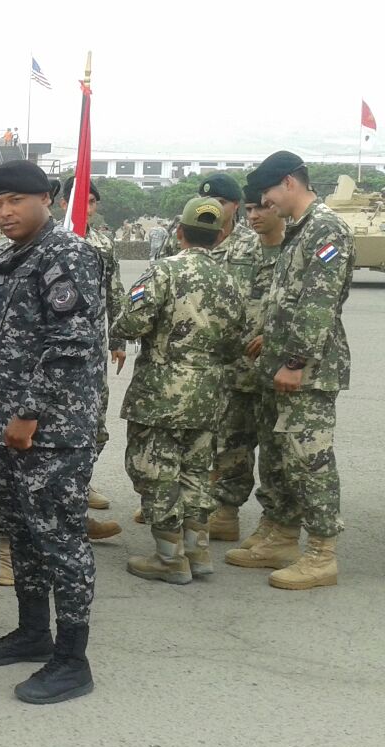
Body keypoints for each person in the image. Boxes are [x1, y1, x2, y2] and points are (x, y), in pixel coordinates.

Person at [0, 159, 104, 704]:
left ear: (46, 198)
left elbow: (72, 342)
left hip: (52, 430)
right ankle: (32, 630)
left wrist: (29, 412)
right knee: (21, 533)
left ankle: (72, 659)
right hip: (10, 426)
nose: (5, 212)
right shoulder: (9, 259)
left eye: (15, 201)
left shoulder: (65, 254)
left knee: (60, 540)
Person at [225, 152, 353, 590]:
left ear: (289, 183)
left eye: (268, 195)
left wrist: (296, 361)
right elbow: (287, 298)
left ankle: (321, 553)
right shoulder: (300, 229)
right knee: (279, 455)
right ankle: (280, 534)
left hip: (307, 370)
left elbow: (319, 302)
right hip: (279, 363)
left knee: (309, 458)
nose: (265, 203)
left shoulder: (326, 228)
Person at [111, 197, 245, 584]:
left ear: (180, 232)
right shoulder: (230, 280)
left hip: (161, 393)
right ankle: (198, 550)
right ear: (219, 236)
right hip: (208, 392)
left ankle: (169, 558)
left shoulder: (163, 271)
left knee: (156, 470)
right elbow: (236, 342)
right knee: (196, 471)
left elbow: (130, 323)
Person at [209, 182, 286, 545]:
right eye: (251, 208)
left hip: (272, 366)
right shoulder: (233, 248)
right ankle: (225, 512)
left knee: (275, 448)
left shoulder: (288, 249)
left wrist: (274, 335)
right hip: (233, 365)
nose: (255, 215)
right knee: (231, 442)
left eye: (262, 207)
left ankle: (274, 522)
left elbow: (305, 303)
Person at [58, 177, 123, 538]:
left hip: (92, 351)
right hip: (54, 352)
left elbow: (114, 291)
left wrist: (119, 340)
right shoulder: (50, 241)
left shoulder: (103, 244)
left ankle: (80, 486)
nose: (87, 207)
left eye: (92, 201)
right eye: (79, 200)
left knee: (93, 425)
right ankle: (68, 508)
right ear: (62, 204)